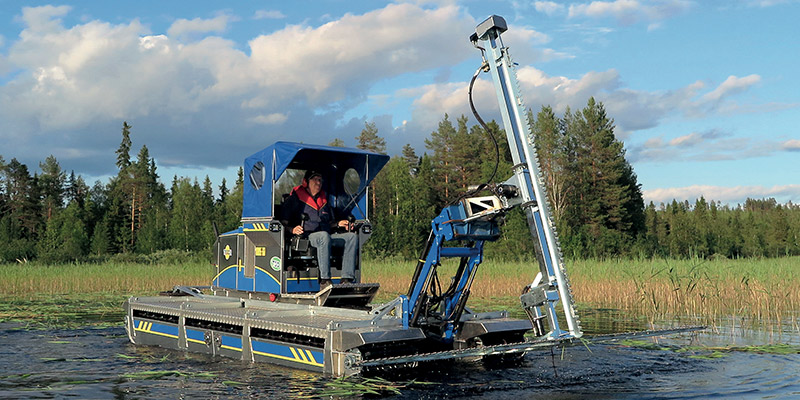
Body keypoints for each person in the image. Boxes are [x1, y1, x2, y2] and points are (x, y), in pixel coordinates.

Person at [281, 169, 358, 289]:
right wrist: (292, 230)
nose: (318, 183)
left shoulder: (324, 201)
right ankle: (325, 280)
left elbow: (329, 223)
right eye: (315, 179)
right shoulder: (294, 199)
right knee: (323, 236)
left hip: (325, 236)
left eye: (320, 180)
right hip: (307, 236)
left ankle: (346, 279)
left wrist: (339, 224)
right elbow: (283, 223)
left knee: (351, 237)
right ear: (305, 182)